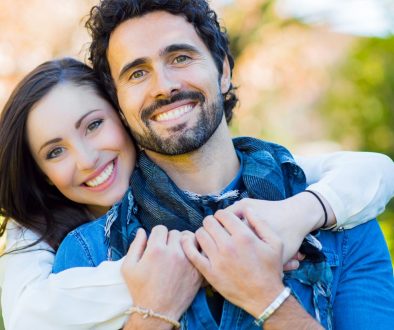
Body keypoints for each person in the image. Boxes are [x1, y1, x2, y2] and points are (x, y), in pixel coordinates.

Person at [52, 0, 394, 329]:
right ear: (119, 105)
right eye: (137, 73)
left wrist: (267, 299)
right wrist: (152, 316)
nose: (165, 86)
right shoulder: (87, 255)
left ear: (224, 71)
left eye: (180, 57)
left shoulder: (341, 223)